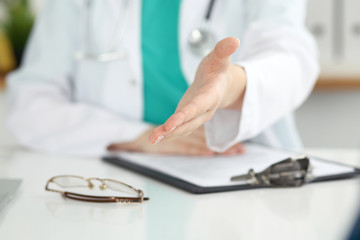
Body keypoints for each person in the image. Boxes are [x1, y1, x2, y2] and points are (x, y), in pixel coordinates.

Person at [6, 0, 319, 157]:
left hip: (238, 167)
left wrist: (229, 85)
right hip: (113, 181)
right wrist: (137, 137)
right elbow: (30, 105)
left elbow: (293, 57)